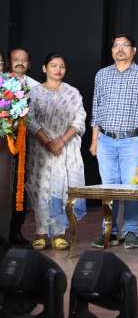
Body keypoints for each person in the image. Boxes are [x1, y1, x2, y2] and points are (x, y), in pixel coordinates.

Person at [90, 34, 138, 248]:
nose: (120, 49)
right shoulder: (102, 75)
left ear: (133, 50)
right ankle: (109, 231)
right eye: (116, 45)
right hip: (105, 140)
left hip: (132, 140)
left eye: (125, 45)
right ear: (112, 51)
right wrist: (94, 140)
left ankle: (130, 232)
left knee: (131, 188)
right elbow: (96, 108)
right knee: (108, 189)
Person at [24, 53, 86, 250]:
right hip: (41, 150)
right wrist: (48, 142)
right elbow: (29, 119)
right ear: (44, 68)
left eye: (62, 66)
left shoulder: (72, 93)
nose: (58, 70)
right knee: (41, 188)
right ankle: (41, 232)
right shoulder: (34, 93)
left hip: (65, 148)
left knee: (62, 187)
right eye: (53, 65)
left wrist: (61, 141)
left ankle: (59, 233)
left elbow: (79, 119)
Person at [7, 48, 38, 246]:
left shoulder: (35, 87)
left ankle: (15, 232)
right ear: (9, 62)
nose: (20, 63)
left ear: (29, 63)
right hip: (3, 145)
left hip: (24, 144)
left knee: (19, 186)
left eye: (23, 60)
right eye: (15, 59)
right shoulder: (2, 82)